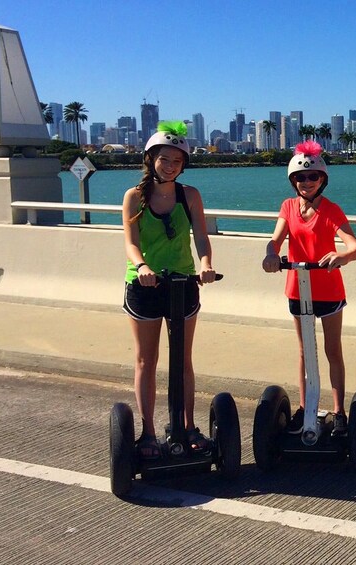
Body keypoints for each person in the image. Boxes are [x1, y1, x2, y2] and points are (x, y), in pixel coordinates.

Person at [122, 121, 217, 459]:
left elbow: (202, 237)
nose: (171, 166)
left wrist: (205, 264)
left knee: (183, 360)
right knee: (147, 360)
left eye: (177, 161)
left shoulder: (189, 195)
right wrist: (143, 267)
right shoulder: (135, 197)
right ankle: (148, 433)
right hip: (145, 285)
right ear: (151, 159)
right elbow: (131, 245)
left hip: (183, 283)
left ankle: (188, 426)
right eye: (165, 159)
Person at [262, 140, 356, 435]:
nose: (306, 182)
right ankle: (307, 407)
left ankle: (339, 412)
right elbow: (276, 240)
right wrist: (271, 255)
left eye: (313, 177)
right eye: (300, 178)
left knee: (332, 349)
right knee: (305, 351)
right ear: (293, 181)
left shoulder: (331, 210)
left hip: (328, 289)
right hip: (297, 287)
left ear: (322, 180)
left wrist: (341, 255)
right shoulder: (288, 206)